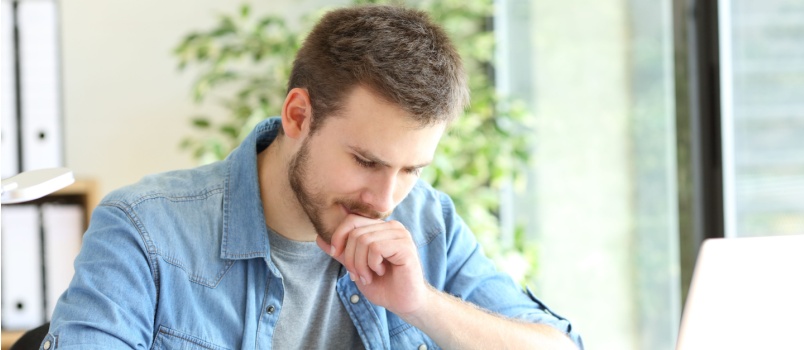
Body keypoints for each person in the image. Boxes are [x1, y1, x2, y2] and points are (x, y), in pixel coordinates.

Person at [47, 5, 583, 349]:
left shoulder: (428, 221)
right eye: (366, 162)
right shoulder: (145, 231)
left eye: (412, 170)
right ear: (298, 115)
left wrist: (420, 304)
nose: (385, 198)